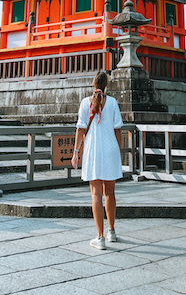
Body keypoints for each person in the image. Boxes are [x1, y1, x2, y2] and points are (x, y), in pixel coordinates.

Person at [73, 70, 123, 250]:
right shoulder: (113, 103)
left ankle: (100, 237)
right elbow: (118, 129)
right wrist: (119, 150)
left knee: (96, 194)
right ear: (106, 85)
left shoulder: (86, 103)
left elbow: (80, 129)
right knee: (110, 192)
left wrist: (76, 151)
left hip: (93, 150)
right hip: (110, 149)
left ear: (93, 85)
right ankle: (111, 231)